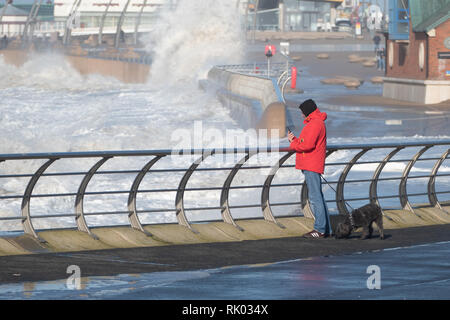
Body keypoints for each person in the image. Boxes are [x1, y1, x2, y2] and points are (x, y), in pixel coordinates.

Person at [288, 99, 332, 238]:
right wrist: (295, 140)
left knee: (315, 197)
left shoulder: (315, 124)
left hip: (311, 164)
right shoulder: (316, 122)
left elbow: (306, 145)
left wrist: (292, 144)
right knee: (318, 196)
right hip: (312, 163)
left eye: (302, 112)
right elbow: (304, 142)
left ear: (307, 111)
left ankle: (319, 229)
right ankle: (326, 229)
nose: (301, 115)